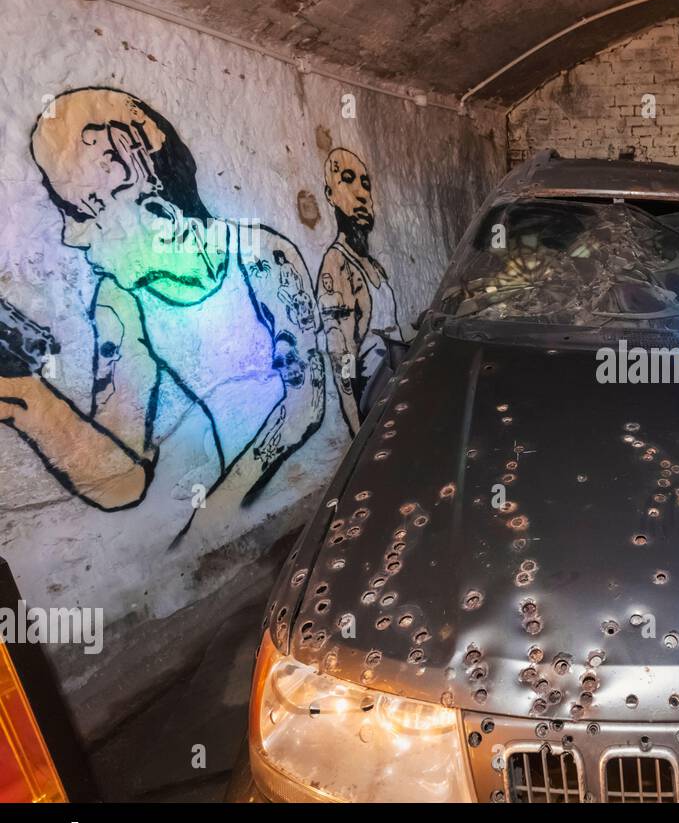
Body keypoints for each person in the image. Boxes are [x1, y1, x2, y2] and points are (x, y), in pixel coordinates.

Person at [0, 88, 325, 539]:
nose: (73, 236)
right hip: (245, 512)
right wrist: (29, 402)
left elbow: (304, 407)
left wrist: (217, 512)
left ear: (151, 200)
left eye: (84, 207)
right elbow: (123, 478)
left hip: (319, 493)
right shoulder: (120, 301)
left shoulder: (262, 256)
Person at [316, 149, 410, 436]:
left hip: (394, 396)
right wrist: (359, 437)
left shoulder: (373, 265)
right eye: (347, 181)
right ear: (330, 194)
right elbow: (341, 359)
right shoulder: (337, 265)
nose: (361, 194)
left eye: (365, 184)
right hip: (372, 405)